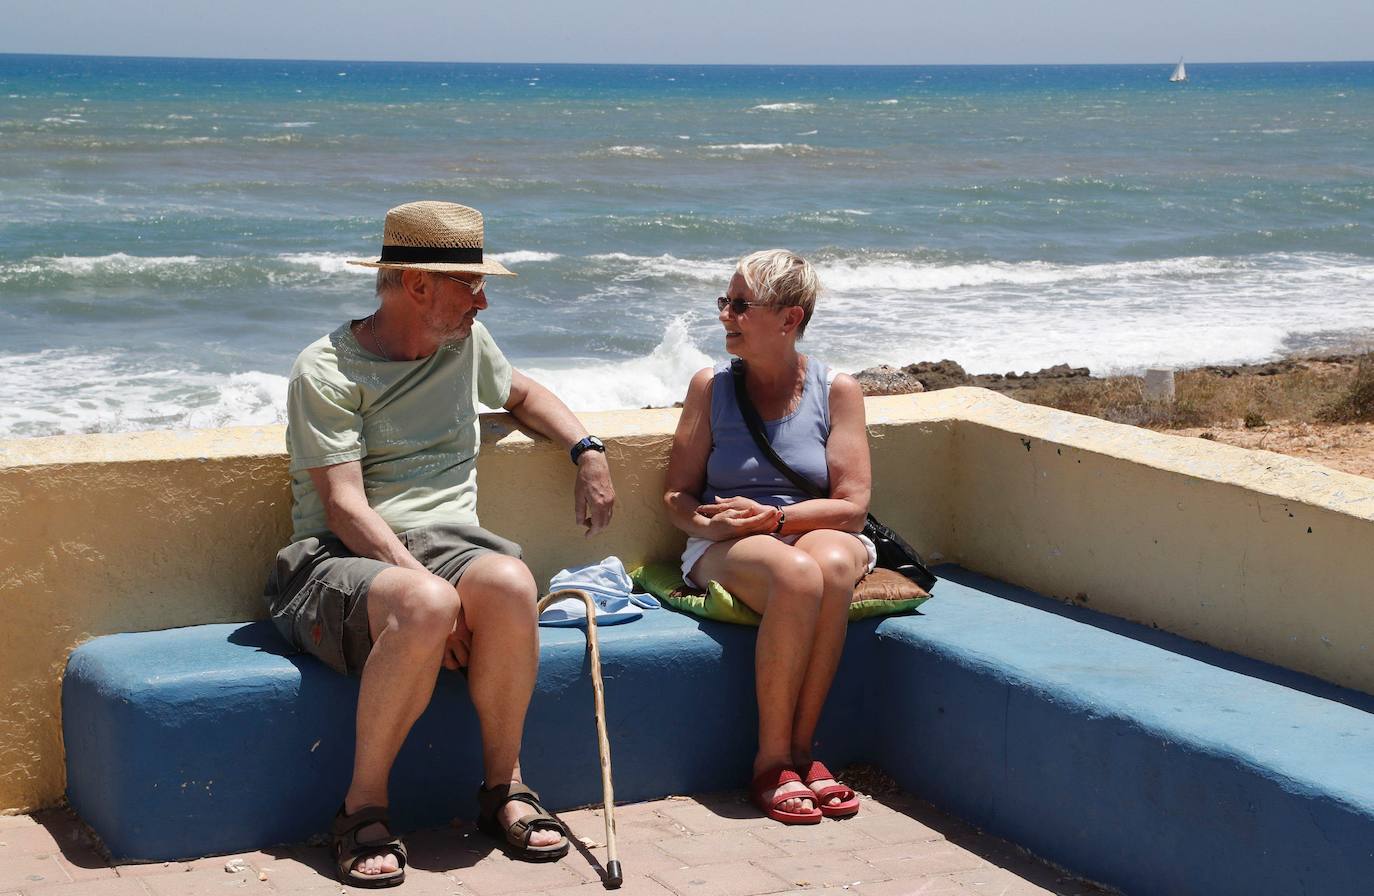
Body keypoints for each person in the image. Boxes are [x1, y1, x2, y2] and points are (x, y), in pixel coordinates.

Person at [263, 201, 615, 886]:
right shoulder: (327, 369)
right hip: (340, 561)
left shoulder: (464, 345)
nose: (483, 301)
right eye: (470, 286)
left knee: (512, 581)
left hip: (449, 546)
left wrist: (587, 449)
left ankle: (503, 789)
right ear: (417, 285)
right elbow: (343, 506)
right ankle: (361, 809)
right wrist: (442, 599)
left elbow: (521, 394)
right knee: (424, 604)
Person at [662, 250, 875, 825]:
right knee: (797, 574)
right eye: (724, 302)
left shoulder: (838, 389)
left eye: (740, 305)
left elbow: (853, 507)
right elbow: (676, 496)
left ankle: (805, 752)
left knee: (829, 565)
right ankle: (772, 759)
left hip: (804, 527)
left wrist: (778, 520)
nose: (726, 315)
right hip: (729, 543)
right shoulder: (711, 386)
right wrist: (707, 524)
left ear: (789, 318)